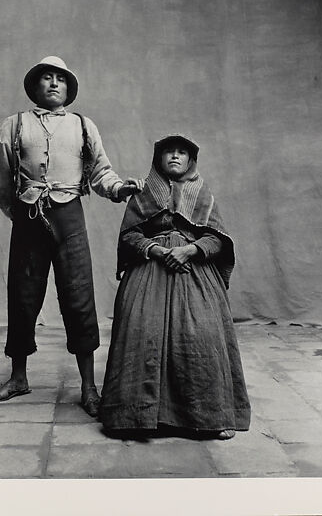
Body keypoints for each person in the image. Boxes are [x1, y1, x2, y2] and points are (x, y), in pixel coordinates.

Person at [0, 56, 143, 416]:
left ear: (69, 88)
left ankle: (89, 387)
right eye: (46, 78)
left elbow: (102, 170)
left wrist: (119, 189)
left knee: (79, 296)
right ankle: (18, 377)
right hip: (28, 218)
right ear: (35, 86)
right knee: (23, 296)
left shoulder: (83, 126)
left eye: (60, 78)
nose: (54, 83)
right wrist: (21, 213)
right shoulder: (15, 125)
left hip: (70, 216)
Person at [99, 134, 251, 439]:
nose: (175, 157)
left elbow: (217, 238)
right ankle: (136, 417)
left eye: (182, 152)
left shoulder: (203, 192)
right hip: (149, 267)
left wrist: (189, 250)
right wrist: (157, 250)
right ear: (158, 158)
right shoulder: (141, 194)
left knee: (201, 334)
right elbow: (130, 236)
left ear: (191, 160)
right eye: (169, 152)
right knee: (141, 330)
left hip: (194, 269)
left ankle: (209, 415)